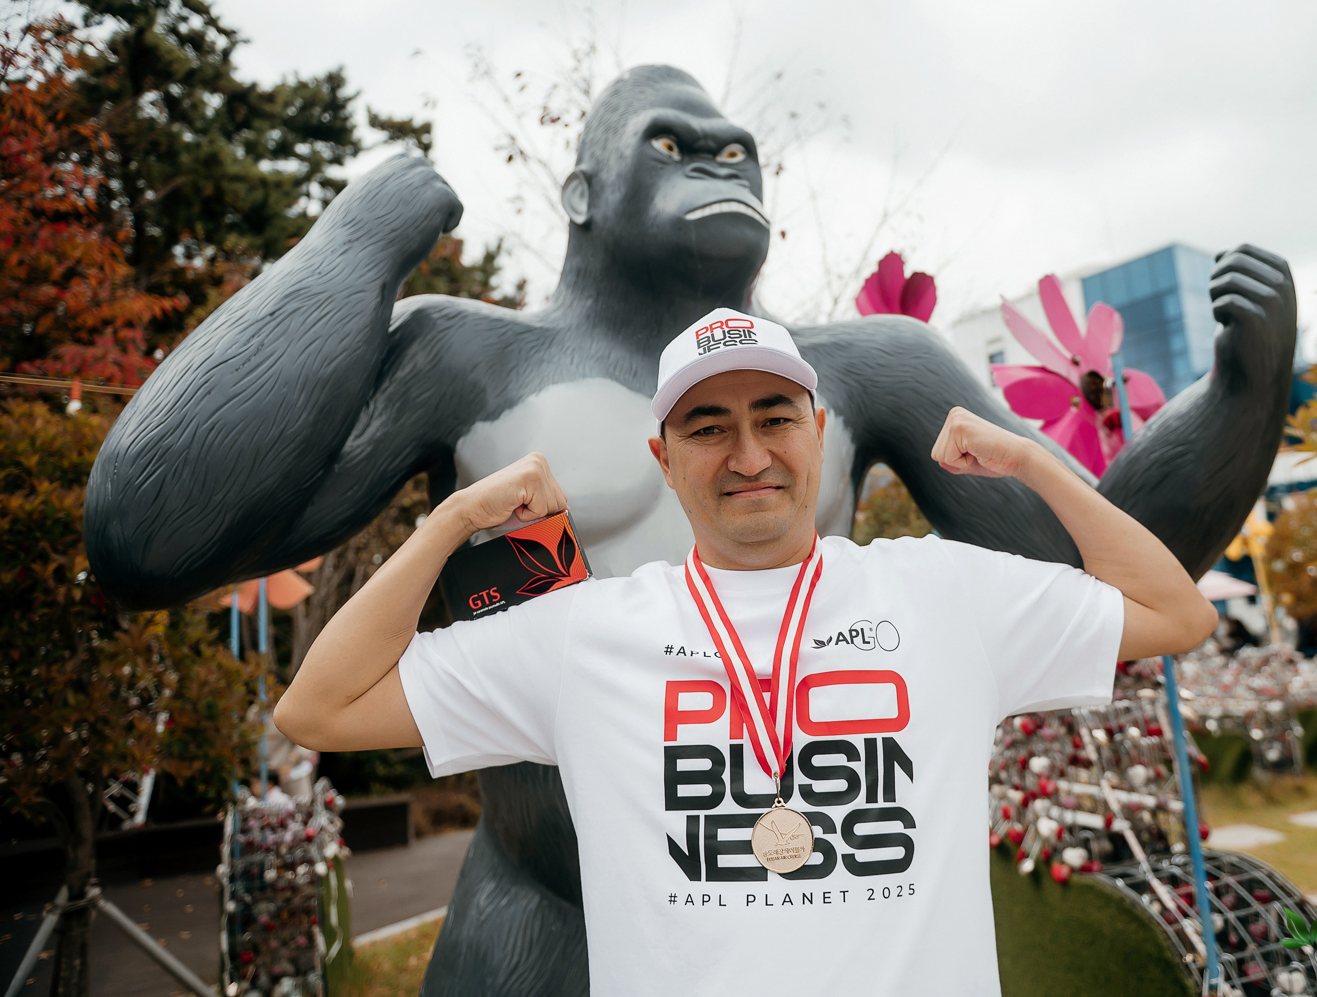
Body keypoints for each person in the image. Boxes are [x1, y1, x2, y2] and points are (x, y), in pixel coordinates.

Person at [275, 308, 1217, 996]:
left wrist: (1034, 464)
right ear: (663, 458)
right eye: (708, 427)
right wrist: (449, 523)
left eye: (774, 416)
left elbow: (1173, 614)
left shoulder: (944, 593)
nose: (749, 454)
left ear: (820, 434)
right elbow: (321, 708)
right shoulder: (584, 635)